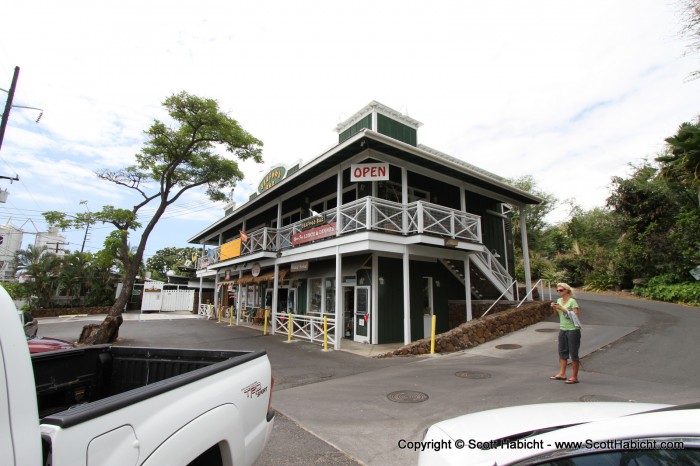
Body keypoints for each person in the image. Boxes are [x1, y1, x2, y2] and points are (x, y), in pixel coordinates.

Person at [549, 283, 582, 384]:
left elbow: (576, 315)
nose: (559, 292)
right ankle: (562, 373)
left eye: (561, 290)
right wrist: (554, 308)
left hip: (573, 330)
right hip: (563, 329)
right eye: (558, 290)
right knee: (562, 352)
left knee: (573, 353)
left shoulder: (572, 301)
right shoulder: (559, 301)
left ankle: (574, 377)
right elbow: (557, 315)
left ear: (567, 290)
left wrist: (562, 309)